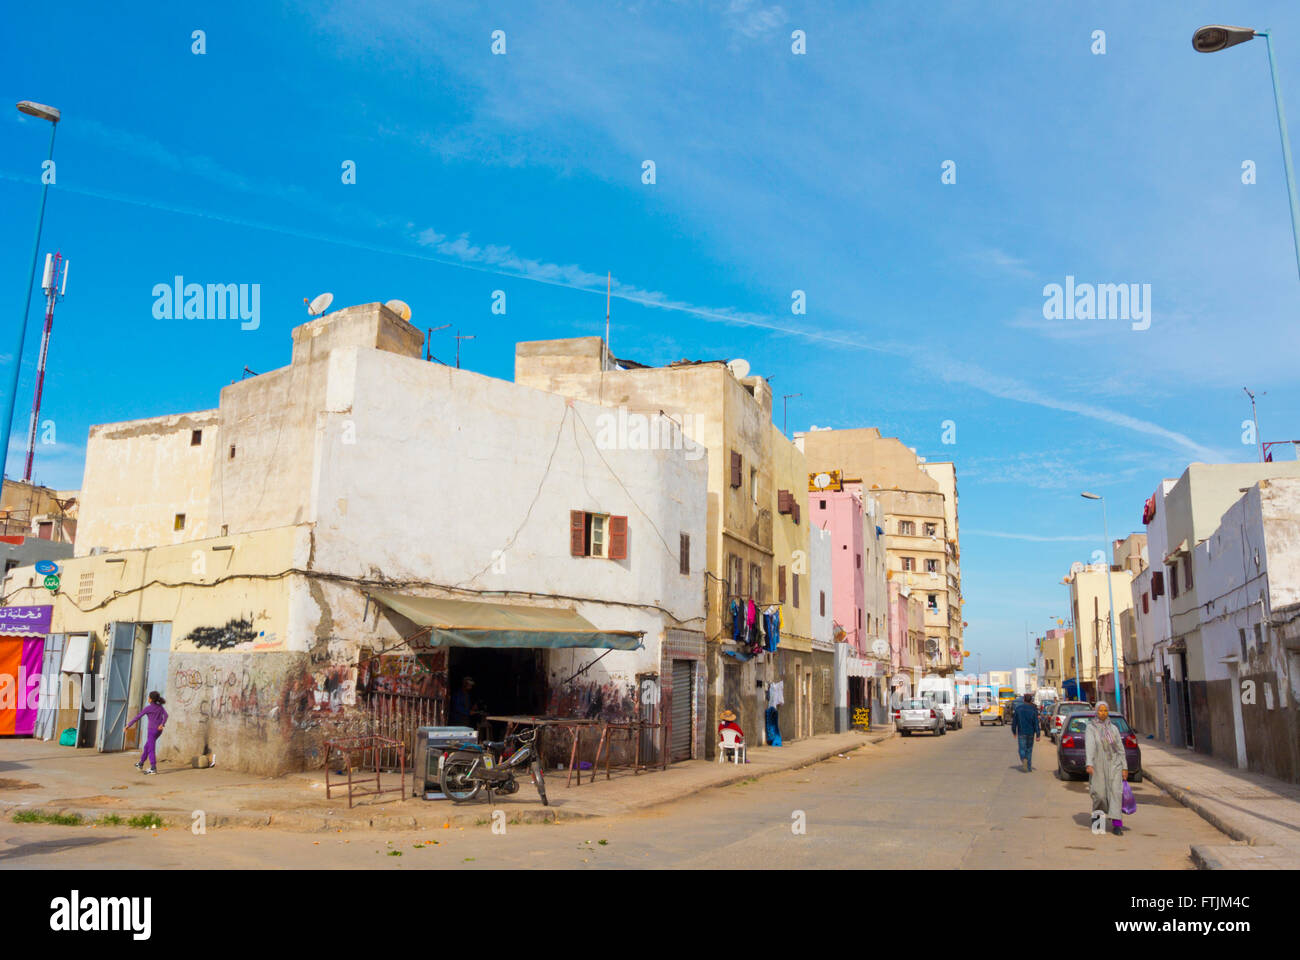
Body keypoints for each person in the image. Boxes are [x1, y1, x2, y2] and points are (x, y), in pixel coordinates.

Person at [1085, 701, 1127, 835]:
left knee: (1115, 794)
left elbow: (1120, 749)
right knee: (1100, 795)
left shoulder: (1113, 728)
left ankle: (1117, 825)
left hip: (1114, 765)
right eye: (1100, 710)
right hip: (1098, 766)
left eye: (1105, 711)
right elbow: (1090, 746)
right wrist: (1089, 763)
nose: (1103, 713)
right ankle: (1098, 821)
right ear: (1096, 712)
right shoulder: (1091, 728)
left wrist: (1124, 767)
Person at [126, 691, 168, 775]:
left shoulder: (148, 708)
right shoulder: (160, 707)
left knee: (151, 749)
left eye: (148, 697)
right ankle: (140, 763)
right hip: (159, 731)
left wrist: (128, 725)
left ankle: (153, 768)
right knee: (147, 746)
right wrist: (162, 724)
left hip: (152, 731)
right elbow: (166, 715)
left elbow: (137, 717)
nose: (147, 698)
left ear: (151, 699)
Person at [1010, 693, 1040, 772]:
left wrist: (1014, 731)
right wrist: (1038, 734)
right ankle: (1029, 767)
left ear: (1023, 700)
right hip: (1031, 733)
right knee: (1029, 750)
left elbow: (1014, 722)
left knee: (1022, 749)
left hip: (1021, 732)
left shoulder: (1018, 709)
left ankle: (1024, 760)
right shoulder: (1033, 709)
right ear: (1031, 700)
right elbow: (1036, 723)